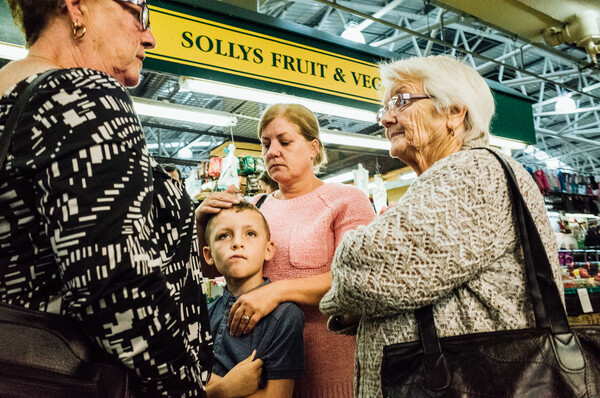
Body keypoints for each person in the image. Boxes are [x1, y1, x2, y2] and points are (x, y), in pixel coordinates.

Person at [0, 1, 260, 396]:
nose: (149, 36)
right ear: (77, 7)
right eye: (139, 11)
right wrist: (188, 389)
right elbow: (120, 289)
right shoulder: (82, 93)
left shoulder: (12, 96)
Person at [319, 55, 562, 397]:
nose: (386, 118)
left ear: (454, 113)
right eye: (385, 107)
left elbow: (362, 265)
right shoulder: (451, 178)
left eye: (401, 101)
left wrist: (343, 298)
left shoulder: (474, 172)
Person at [196, 103, 376, 397]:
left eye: (285, 141)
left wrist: (275, 291)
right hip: (261, 376)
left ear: (313, 147)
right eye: (266, 144)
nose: (272, 151)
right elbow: (214, 269)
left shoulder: (347, 200)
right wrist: (202, 222)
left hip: (331, 371)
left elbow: (358, 281)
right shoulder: (256, 206)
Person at [203, 201, 305, 398]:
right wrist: (223, 390)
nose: (237, 243)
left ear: (268, 250)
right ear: (209, 255)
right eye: (224, 235)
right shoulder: (205, 314)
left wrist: (208, 389)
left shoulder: (285, 316)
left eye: (250, 234)